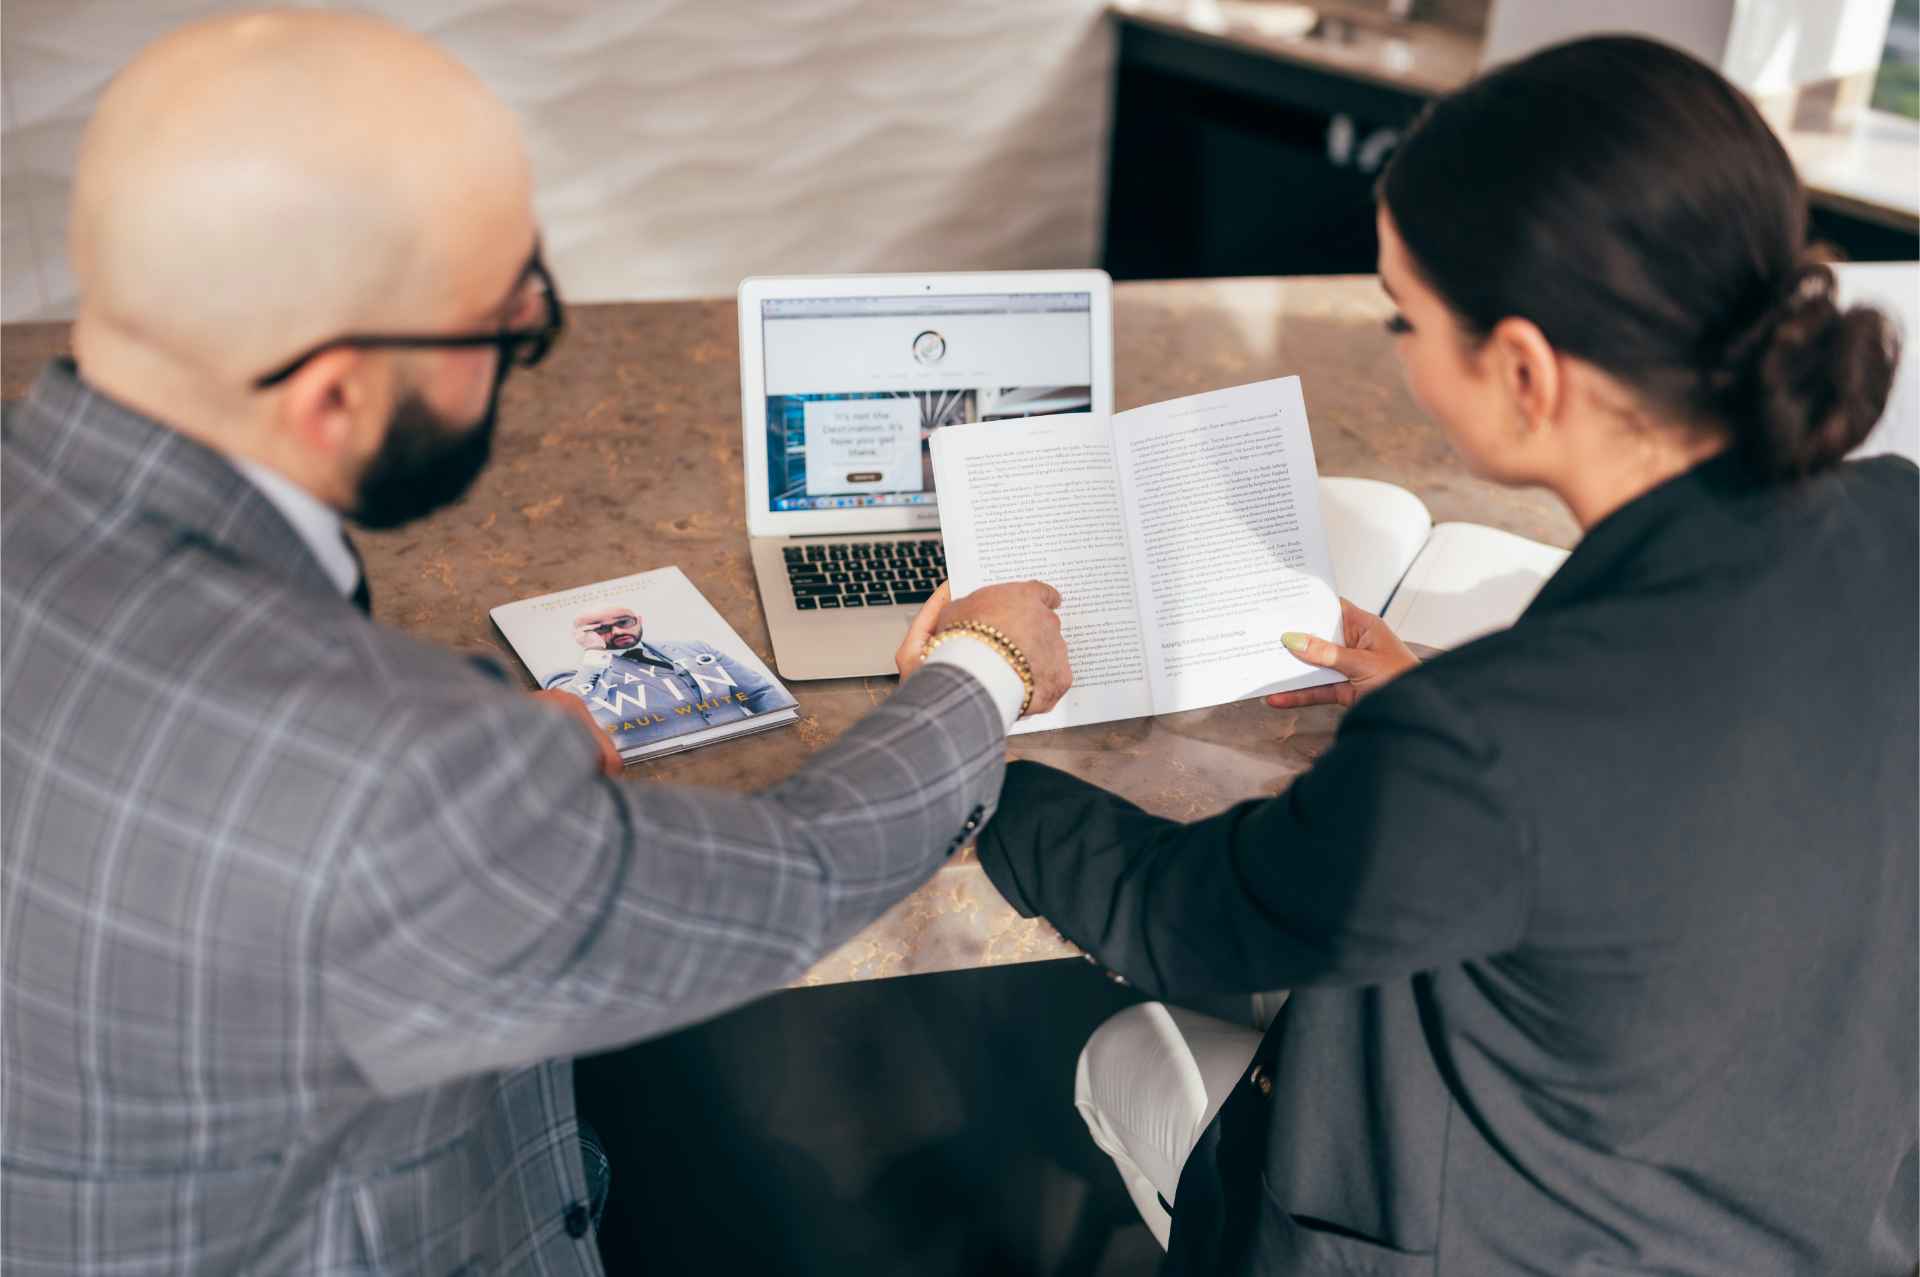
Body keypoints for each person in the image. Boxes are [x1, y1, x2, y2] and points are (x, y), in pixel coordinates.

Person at [0, 12, 1069, 1275]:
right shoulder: (399, 775)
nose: (519, 354)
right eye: (510, 329)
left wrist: (473, 797)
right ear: (333, 391)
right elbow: (786, 874)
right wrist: (984, 665)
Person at [973, 35, 1916, 1277]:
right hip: (1821, 1217)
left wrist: (971, 737)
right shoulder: (1897, 519)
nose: (1398, 350)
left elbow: (1179, 913)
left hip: (1503, 1243)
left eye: (1403, 317)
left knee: (1124, 1052)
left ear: (1523, 369)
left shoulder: (1486, 746)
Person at [545, 605, 788, 749]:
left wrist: (781, 734)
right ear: (582, 635)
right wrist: (594, 654)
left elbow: (760, 692)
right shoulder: (569, 676)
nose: (617, 631)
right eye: (601, 628)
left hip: (752, 744)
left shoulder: (694, 648)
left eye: (624, 622)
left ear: (638, 621)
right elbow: (573, 712)